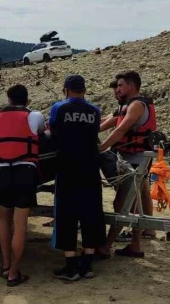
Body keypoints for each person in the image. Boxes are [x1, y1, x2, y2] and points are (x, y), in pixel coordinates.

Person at [48, 75, 106, 281]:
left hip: (67, 167)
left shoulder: (59, 108)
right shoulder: (95, 111)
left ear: (66, 90)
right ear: (84, 90)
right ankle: (87, 264)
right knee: (91, 213)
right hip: (90, 167)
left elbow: (51, 129)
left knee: (67, 215)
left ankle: (71, 266)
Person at [0, 84, 45, 287]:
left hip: (2, 172)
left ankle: (4, 265)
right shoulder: (34, 115)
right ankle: (13, 272)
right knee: (20, 224)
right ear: (27, 100)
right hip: (24, 172)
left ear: (8, 99)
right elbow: (41, 132)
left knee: (4, 220)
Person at [97, 71, 157, 259]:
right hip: (131, 160)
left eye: (121, 85)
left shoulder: (137, 105)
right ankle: (136, 245)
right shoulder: (126, 106)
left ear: (131, 85)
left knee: (121, 203)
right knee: (133, 203)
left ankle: (106, 247)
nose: (118, 88)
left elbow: (122, 129)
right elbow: (104, 125)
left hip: (135, 161)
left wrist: (101, 148)